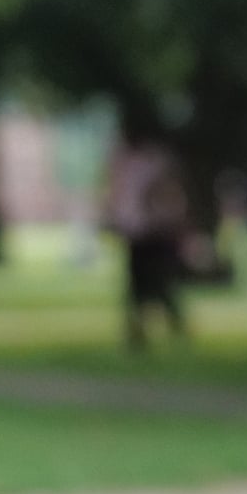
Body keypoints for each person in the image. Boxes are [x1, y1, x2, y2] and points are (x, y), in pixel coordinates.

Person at [103, 131, 193, 348]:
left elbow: (160, 194)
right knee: (139, 285)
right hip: (139, 232)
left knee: (159, 282)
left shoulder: (154, 161)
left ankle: (169, 327)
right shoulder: (128, 161)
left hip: (157, 231)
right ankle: (139, 331)